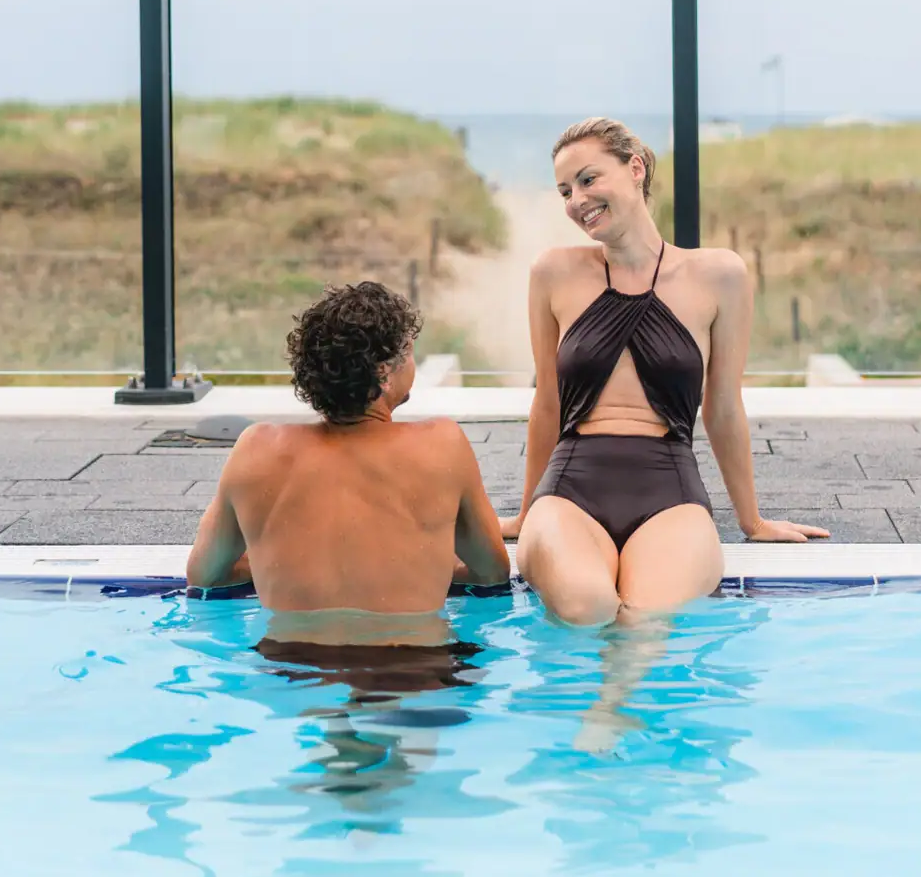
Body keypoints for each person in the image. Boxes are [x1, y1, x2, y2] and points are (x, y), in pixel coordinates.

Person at [504, 116, 828, 626]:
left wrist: (752, 520)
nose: (576, 201)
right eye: (566, 190)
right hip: (570, 486)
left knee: (645, 620)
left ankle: (609, 708)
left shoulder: (719, 276)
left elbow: (723, 406)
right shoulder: (553, 272)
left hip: (668, 490)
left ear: (635, 168)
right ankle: (609, 708)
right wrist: (526, 515)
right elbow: (547, 402)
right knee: (586, 605)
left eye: (588, 180)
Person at [185, 280, 512, 622]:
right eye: (410, 350)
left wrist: (280, 558)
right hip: (412, 668)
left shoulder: (256, 449)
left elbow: (205, 576)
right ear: (384, 372)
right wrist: (427, 562)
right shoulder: (443, 445)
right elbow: (491, 572)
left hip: (288, 668)